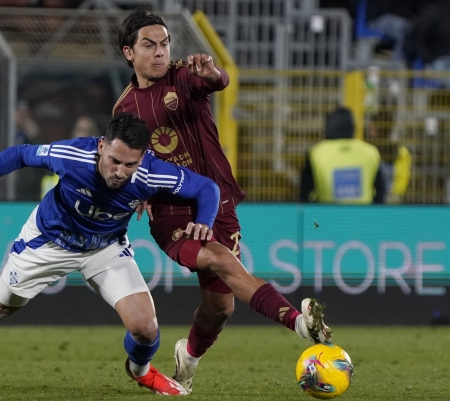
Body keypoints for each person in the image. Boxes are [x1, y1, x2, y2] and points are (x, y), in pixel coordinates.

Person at [114, 8, 332, 393]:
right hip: (172, 210)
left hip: (219, 201)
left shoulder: (185, 76)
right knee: (218, 258)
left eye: (165, 43)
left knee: (220, 308)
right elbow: (127, 160)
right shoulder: (125, 109)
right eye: (149, 45)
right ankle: (299, 322)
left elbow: (219, 81)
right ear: (128, 52)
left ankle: (189, 356)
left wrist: (212, 73)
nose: (160, 52)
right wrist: (137, 192)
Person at [0, 113, 221, 396]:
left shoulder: (153, 171)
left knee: (145, 327)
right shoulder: (73, 155)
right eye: (114, 161)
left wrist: (204, 224)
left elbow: (207, 188)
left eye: (129, 165)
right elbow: (20, 154)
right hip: (50, 241)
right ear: (102, 146)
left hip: (105, 247)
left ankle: (140, 371)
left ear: (142, 158)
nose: (119, 172)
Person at [300, 107, 386, 204]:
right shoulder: (371, 152)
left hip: (327, 216)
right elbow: (380, 191)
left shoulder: (316, 153)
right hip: (363, 216)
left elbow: (305, 192)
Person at [40, 115, 101, 199]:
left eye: (89, 131)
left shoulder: (103, 168)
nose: (84, 135)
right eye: (81, 130)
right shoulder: (55, 161)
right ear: (74, 132)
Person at [366, 109, 412, 203]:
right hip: (392, 197)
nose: (370, 129)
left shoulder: (368, 150)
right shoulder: (401, 150)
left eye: (373, 126)